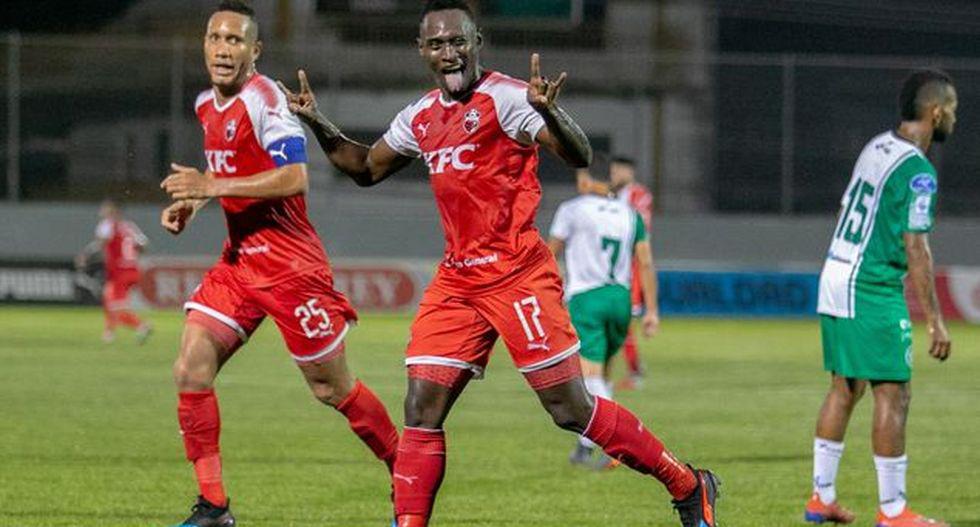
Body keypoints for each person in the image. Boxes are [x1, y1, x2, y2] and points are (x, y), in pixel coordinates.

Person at [278, 1, 718, 526]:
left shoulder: (508, 98)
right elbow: (365, 168)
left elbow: (576, 156)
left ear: (477, 41)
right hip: (458, 281)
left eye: (458, 41)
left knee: (569, 409)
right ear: (422, 51)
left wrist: (551, 111)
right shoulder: (419, 116)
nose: (449, 52)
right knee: (421, 408)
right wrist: (317, 121)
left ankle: (688, 485)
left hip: (517, 273)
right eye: (437, 44)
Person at [158, 2, 399, 525]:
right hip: (240, 263)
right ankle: (213, 507)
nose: (224, 49)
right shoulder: (206, 104)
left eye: (236, 40)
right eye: (215, 38)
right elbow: (224, 168)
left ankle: (406, 469)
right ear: (204, 44)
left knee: (331, 389)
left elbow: (295, 177)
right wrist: (194, 202)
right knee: (190, 368)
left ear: (255, 51)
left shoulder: (267, 99)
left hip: (292, 269)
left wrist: (212, 187)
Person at [804, 69, 954, 527]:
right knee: (894, 392)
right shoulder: (918, 172)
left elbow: (846, 206)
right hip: (869, 286)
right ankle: (893, 511)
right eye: (953, 109)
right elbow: (916, 246)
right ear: (934, 111)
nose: (954, 117)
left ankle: (821, 498)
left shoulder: (877, 145)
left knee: (845, 387)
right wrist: (935, 318)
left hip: (836, 273)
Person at [548, 167, 660, 470]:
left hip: (588, 297)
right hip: (620, 299)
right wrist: (651, 310)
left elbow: (550, 254)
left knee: (591, 378)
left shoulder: (572, 209)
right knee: (604, 375)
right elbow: (646, 262)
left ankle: (614, 447)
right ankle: (584, 449)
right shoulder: (629, 213)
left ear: (586, 179)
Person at [76, 199, 152, 344]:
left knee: (116, 307)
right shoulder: (129, 226)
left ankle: (141, 326)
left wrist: (85, 255)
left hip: (119, 272)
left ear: (113, 211)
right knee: (108, 297)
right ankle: (109, 332)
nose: (102, 212)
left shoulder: (107, 225)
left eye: (105, 209)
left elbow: (100, 243)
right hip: (133, 270)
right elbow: (144, 245)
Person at [608, 155, 654, 389]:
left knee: (624, 322)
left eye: (618, 171)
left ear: (629, 172)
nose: (614, 175)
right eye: (612, 171)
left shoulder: (639, 196)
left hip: (631, 267)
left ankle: (635, 373)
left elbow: (639, 231)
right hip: (611, 267)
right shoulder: (609, 194)